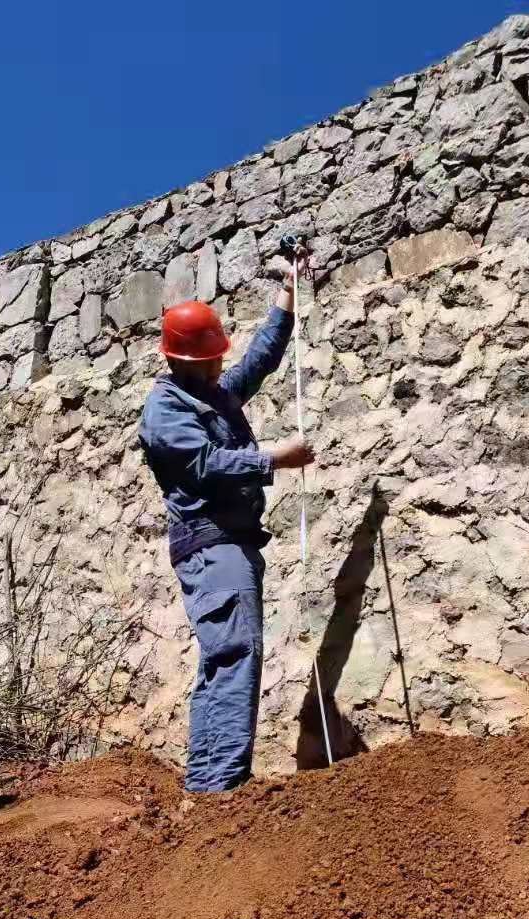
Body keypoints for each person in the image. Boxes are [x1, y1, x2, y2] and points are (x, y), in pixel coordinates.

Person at [138, 253, 314, 793]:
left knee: (227, 656)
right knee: (235, 652)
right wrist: (274, 459)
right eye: (210, 359)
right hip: (209, 545)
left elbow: (259, 360)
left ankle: (210, 782)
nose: (220, 366)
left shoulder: (211, 392)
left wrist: (288, 291)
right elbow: (204, 464)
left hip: (233, 543)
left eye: (219, 357)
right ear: (182, 360)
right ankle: (219, 788)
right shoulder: (166, 410)